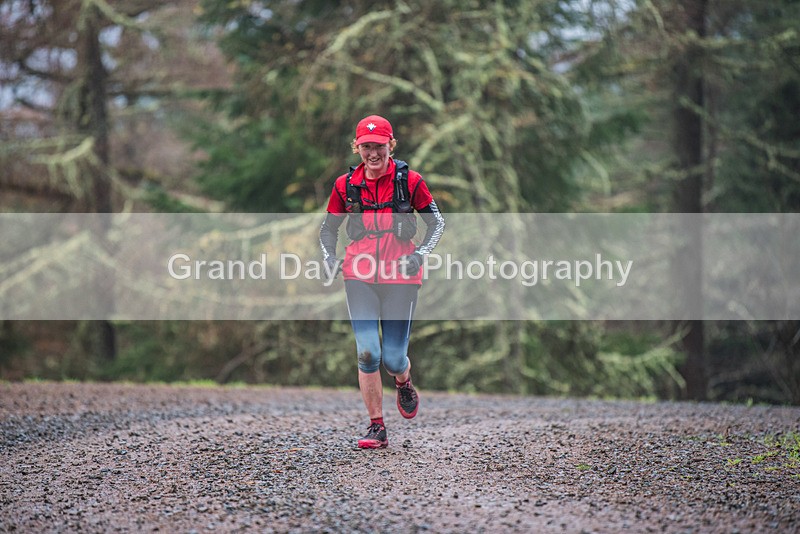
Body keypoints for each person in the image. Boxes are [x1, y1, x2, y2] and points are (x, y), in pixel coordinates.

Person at [319, 115, 445, 449]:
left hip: (400, 277)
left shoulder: (411, 181)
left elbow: (438, 224)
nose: (372, 154)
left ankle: (403, 381)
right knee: (367, 352)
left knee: (392, 359)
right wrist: (330, 259)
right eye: (366, 147)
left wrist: (419, 254)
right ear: (356, 147)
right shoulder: (345, 186)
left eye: (378, 146)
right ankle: (377, 426)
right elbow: (328, 229)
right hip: (358, 274)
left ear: (391, 145)